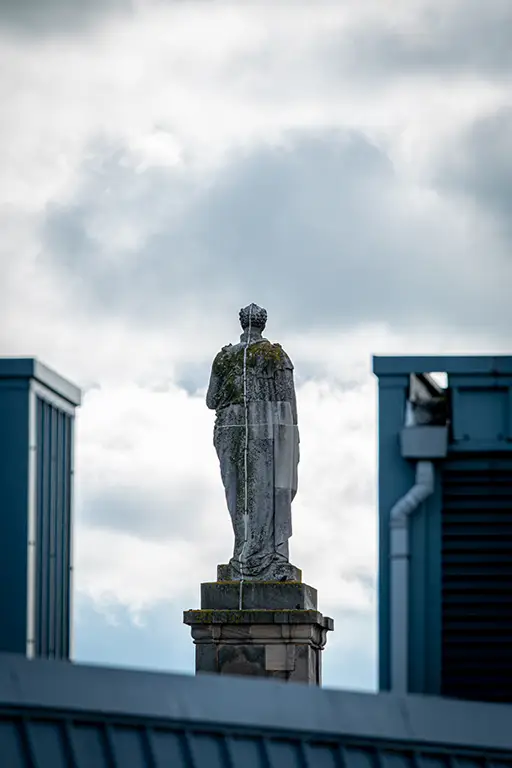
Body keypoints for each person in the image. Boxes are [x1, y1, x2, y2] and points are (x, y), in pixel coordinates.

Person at [206, 303, 300, 581]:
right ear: (263, 324)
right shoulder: (274, 355)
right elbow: (286, 406)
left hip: (229, 428)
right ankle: (266, 555)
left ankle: (242, 552)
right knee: (263, 491)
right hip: (263, 431)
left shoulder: (223, 358)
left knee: (236, 493)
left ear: (241, 323)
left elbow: (211, 400)